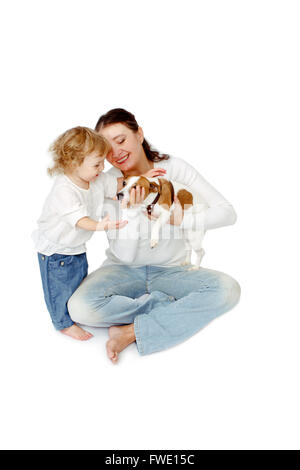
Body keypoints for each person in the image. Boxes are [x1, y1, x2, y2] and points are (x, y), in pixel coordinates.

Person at [67, 109, 241, 361]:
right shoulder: (107, 183)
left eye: (121, 140)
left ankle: (130, 331)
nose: (116, 152)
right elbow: (126, 254)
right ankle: (165, 305)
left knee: (228, 290)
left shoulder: (173, 168)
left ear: (139, 134)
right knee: (79, 308)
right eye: (107, 147)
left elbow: (227, 213)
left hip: (172, 270)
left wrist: (181, 219)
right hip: (122, 269)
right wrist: (133, 211)